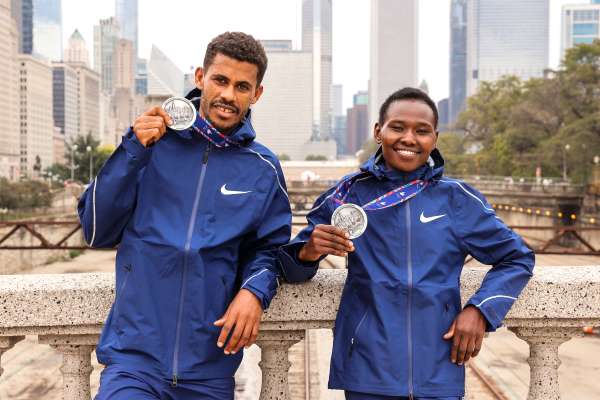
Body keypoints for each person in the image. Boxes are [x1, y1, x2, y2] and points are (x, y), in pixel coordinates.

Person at [278, 87, 535, 400]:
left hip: (440, 368)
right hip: (367, 371)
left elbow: (517, 258)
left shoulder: (457, 199)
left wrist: (480, 310)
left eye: (421, 131)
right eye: (397, 127)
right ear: (378, 132)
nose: (409, 138)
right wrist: (309, 251)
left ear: (434, 138)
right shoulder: (347, 195)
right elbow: (290, 268)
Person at [78, 32, 292, 400]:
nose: (228, 95)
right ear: (200, 77)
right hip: (134, 363)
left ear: (256, 94)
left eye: (242, 86)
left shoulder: (263, 168)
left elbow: (270, 249)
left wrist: (254, 292)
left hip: (208, 372)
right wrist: (132, 149)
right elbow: (95, 230)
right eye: (220, 80)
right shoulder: (151, 143)